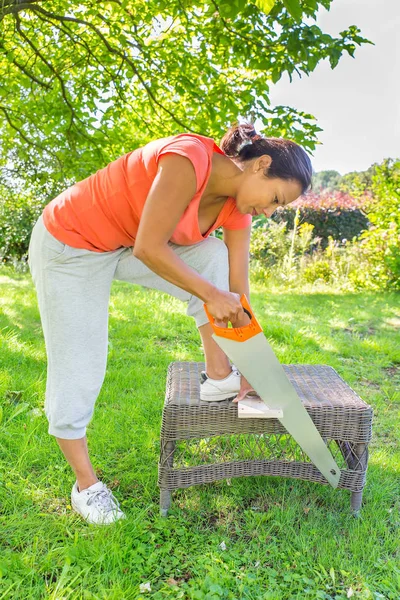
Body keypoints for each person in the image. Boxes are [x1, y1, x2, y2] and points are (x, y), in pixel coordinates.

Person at [27, 121, 312, 525]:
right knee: (81, 361)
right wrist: (213, 297)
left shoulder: (237, 210)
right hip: (71, 243)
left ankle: (220, 375)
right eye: (276, 199)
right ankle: (86, 486)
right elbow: (149, 247)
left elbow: (237, 289)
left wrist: (251, 368)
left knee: (212, 257)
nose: (269, 211)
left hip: (121, 245)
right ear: (260, 164)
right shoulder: (187, 159)